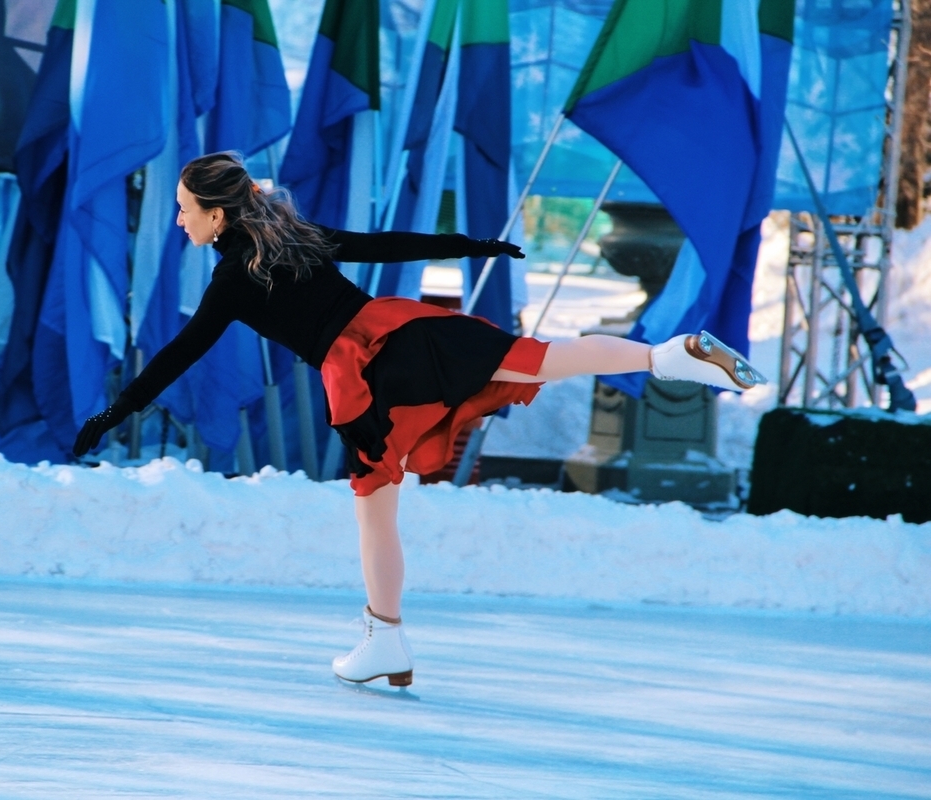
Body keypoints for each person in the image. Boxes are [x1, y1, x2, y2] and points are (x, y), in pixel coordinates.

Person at [73, 152, 766, 688]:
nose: (179, 221)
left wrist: (113, 412)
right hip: (406, 334)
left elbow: (178, 355)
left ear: (218, 216)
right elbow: (384, 247)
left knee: (375, 509)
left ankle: (386, 636)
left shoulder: (232, 281)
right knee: (541, 358)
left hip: (368, 378)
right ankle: (667, 355)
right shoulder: (298, 238)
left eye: (185, 209)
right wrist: (475, 246)